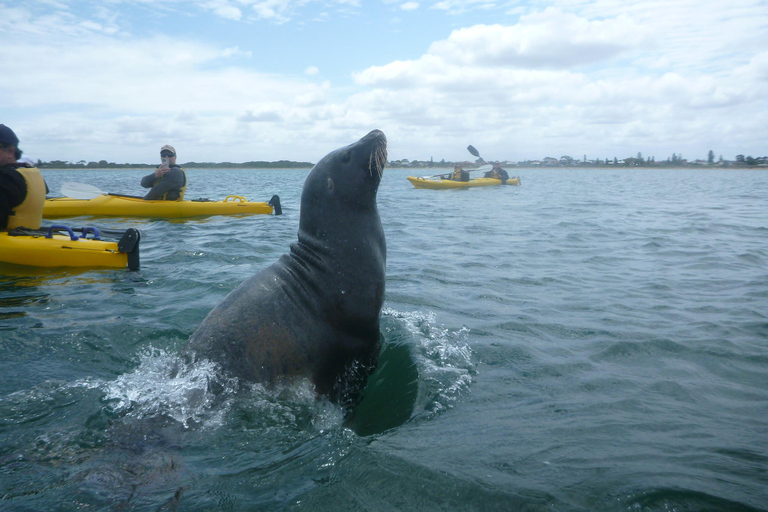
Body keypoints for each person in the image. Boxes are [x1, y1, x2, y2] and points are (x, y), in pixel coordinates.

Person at [0, 124, 46, 230]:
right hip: (26, 239)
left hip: (8, 244)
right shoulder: (27, 171)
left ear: (10, 151)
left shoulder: (4, 179)